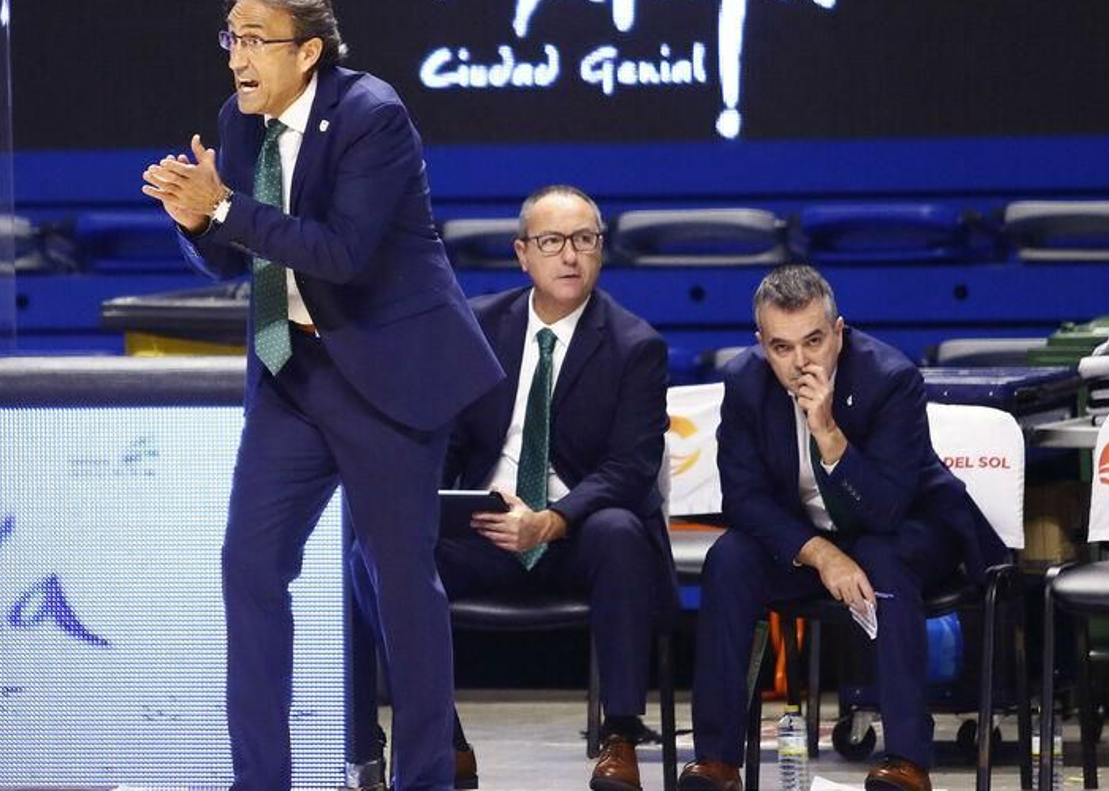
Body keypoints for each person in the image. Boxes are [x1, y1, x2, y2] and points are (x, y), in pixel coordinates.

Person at [140, 0, 504, 791]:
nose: (238, 56)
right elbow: (231, 248)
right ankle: (259, 780)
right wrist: (197, 221)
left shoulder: (373, 115)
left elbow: (342, 254)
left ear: (308, 51)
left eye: (256, 39)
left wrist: (225, 207)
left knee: (398, 583)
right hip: (291, 371)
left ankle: (423, 779)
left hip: (389, 374)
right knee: (250, 565)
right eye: (231, 38)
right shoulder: (240, 118)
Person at [679, 265, 1006, 791]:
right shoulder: (744, 382)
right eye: (782, 347)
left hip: (909, 528)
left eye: (813, 341)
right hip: (811, 542)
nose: (801, 362)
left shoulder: (890, 378)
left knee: (881, 555)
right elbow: (743, 498)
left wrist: (829, 434)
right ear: (761, 343)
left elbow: (888, 510)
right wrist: (818, 553)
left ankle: (907, 759)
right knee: (730, 558)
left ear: (838, 331)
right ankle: (717, 760)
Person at [402, 184, 676, 791]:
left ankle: (620, 738)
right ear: (522, 254)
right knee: (378, 552)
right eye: (553, 242)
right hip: (485, 524)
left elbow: (630, 468)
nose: (570, 256)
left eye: (585, 241)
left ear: (601, 252)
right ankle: (441, 739)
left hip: (577, 535)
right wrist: (436, 505)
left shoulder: (636, 346)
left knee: (622, 531)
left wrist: (552, 520)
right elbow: (443, 441)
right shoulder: (475, 326)